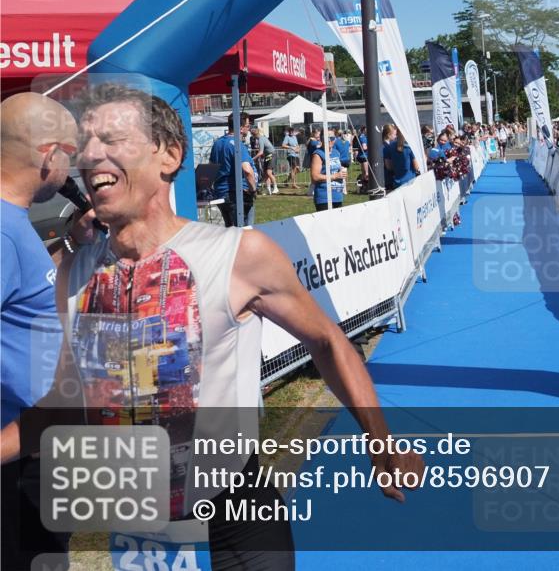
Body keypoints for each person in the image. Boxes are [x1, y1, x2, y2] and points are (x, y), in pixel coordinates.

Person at [0, 84, 422, 569]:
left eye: (113, 140)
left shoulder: (241, 255)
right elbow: (58, 411)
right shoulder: (74, 274)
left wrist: (380, 441)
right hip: (140, 531)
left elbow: (326, 340)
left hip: (235, 508)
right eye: (88, 143)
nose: (92, 155)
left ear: (169, 156)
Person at [0, 93, 97, 571]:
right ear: (46, 155)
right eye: (69, 155)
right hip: (19, 460)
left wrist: (70, 244)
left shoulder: (14, 226)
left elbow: (21, 293)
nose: (70, 171)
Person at [209, 113, 256, 227]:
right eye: (248, 125)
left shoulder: (217, 143)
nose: (249, 128)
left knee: (230, 233)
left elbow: (210, 168)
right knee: (245, 234)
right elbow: (247, 171)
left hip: (221, 194)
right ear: (240, 128)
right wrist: (253, 189)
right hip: (236, 195)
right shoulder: (237, 145)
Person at [311, 132, 347, 211]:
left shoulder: (336, 152)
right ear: (322, 139)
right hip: (324, 196)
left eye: (332, 138)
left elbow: (335, 169)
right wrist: (335, 176)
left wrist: (341, 171)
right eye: (327, 138)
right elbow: (315, 176)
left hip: (337, 196)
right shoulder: (318, 154)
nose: (330, 141)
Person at [250, 126, 277, 195]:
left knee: (269, 173)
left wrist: (252, 159)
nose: (253, 137)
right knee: (265, 174)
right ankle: (268, 190)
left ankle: (275, 188)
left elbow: (260, 152)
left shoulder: (261, 139)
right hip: (268, 156)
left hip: (271, 155)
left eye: (252, 135)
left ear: (254, 134)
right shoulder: (261, 138)